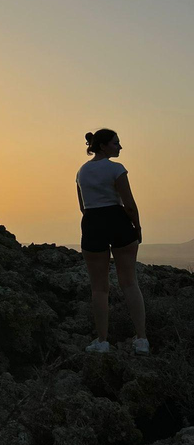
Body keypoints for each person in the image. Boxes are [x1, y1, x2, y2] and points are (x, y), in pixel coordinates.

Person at [76, 129, 149, 355]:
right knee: (129, 283)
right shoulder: (117, 169)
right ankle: (142, 340)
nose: (120, 147)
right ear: (104, 146)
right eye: (116, 143)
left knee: (99, 288)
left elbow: (82, 206)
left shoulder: (82, 172)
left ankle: (102, 341)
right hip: (118, 222)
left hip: (92, 223)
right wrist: (136, 226)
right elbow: (129, 204)